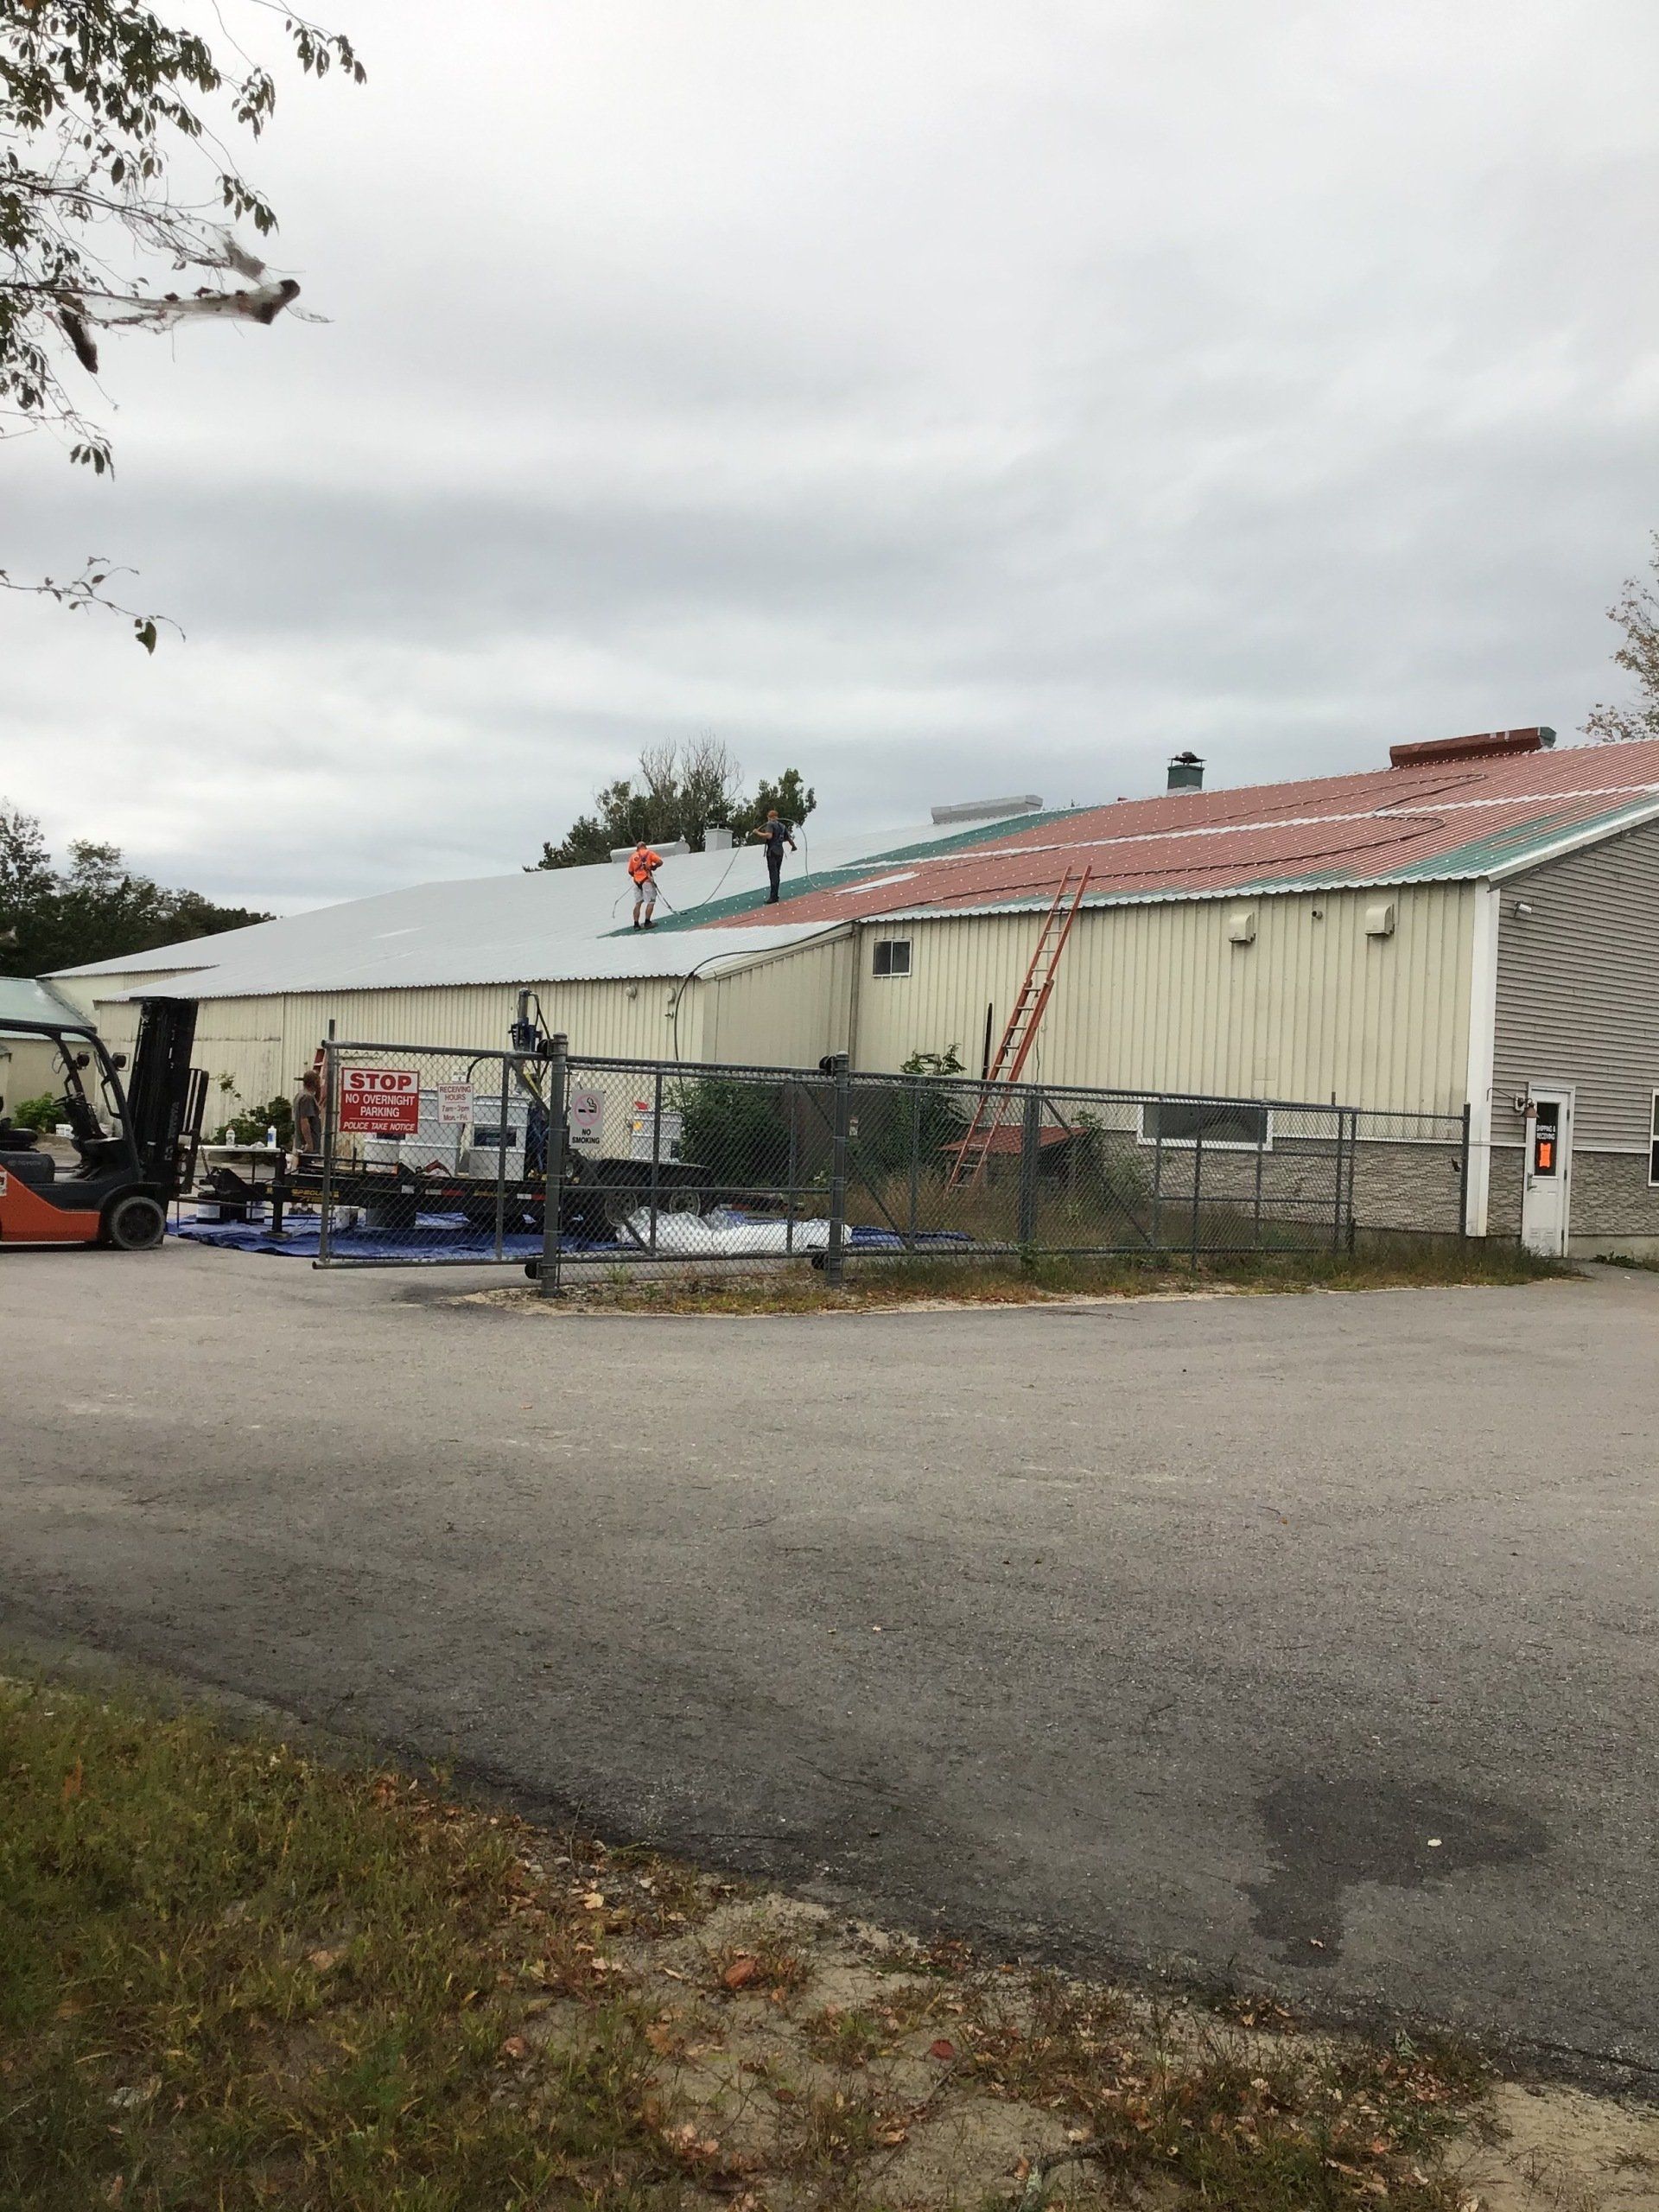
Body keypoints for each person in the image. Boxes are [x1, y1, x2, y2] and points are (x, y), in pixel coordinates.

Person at [748, 808, 797, 904]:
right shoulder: (782, 826)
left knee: (773, 874)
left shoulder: (770, 824)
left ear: (769, 817)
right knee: (777, 873)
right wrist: (794, 846)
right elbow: (789, 839)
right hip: (780, 852)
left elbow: (769, 836)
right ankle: (776, 895)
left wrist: (757, 833)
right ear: (777, 817)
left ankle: (773, 897)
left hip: (772, 852)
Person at [627, 840, 664, 928]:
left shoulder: (633, 856)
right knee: (651, 901)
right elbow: (660, 862)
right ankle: (647, 922)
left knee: (638, 903)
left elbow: (630, 871)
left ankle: (636, 924)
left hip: (637, 882)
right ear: (645, 846)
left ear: (638, 848)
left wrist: (637, 876)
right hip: (646, 880)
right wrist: (653, 867)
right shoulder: (649, 853)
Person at [291, 1068, 322, 1163]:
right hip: (306, 1146)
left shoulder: (300, 1095)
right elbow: (304, 1121)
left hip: (300, 1144)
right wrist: (309, 1143)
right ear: (315, 1082)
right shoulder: (307, 1098)